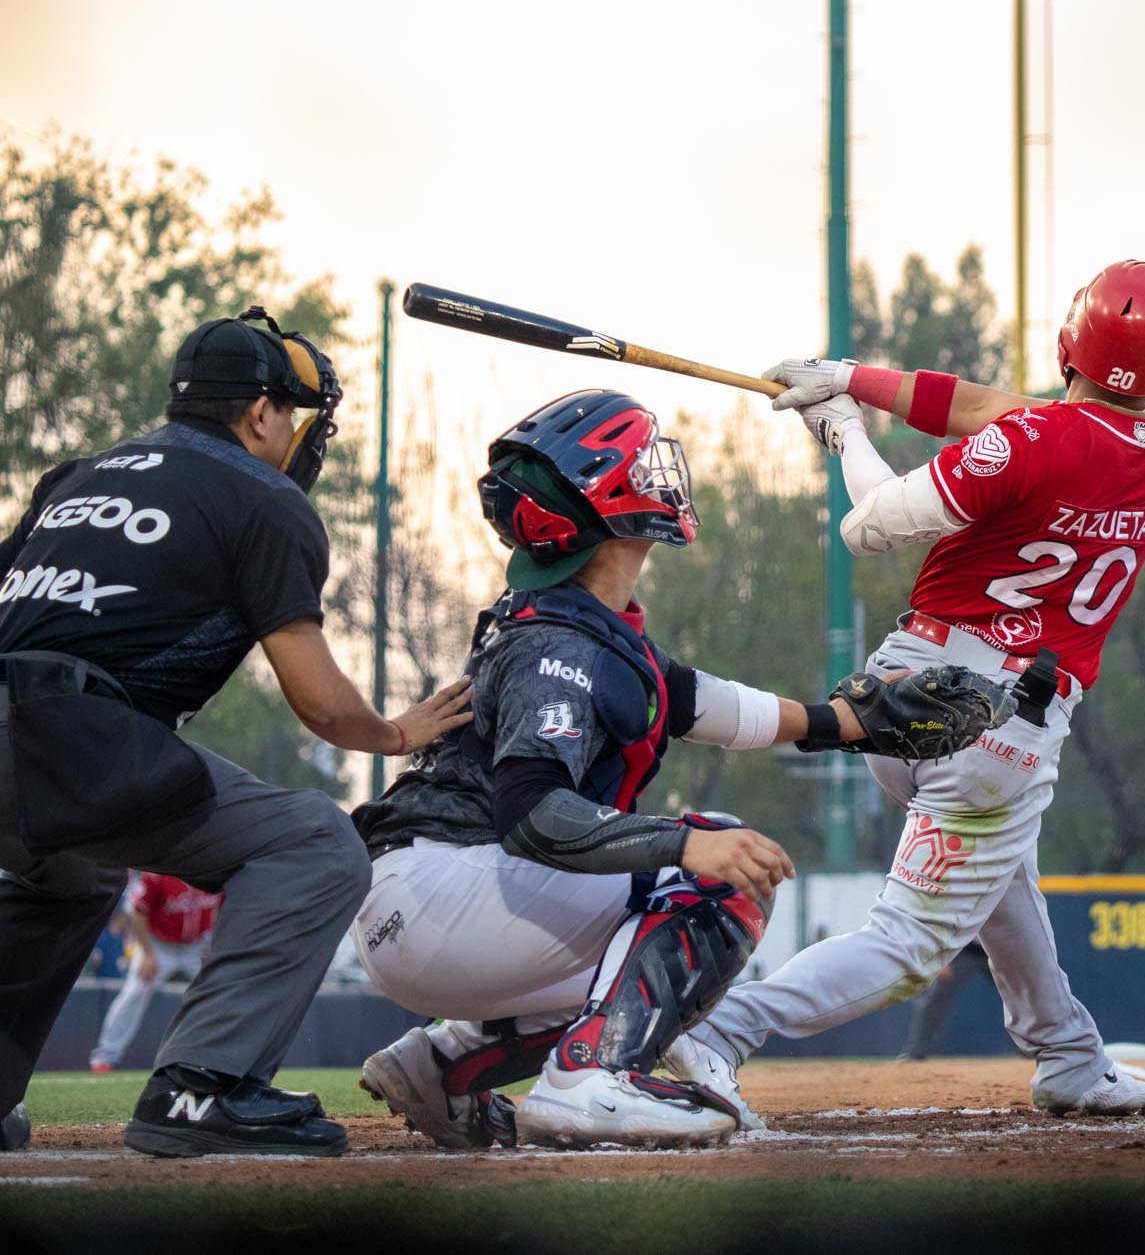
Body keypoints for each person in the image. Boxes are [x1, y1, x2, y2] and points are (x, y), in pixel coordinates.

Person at [348, 390, 1011, 1151]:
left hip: (430, 904)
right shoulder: (557, 644)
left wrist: (848, 723)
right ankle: (588, 1081)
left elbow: (712, 704)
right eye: (638, 463)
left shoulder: (580, 624)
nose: (657, 475)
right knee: (720, 867)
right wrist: (683, 843)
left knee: (648, 969)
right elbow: (532, 815)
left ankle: (443, 1062)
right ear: (607, 502)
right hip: (444, 893)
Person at [669, 260, 1145, 1124]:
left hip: (904, 695)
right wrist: (847, 379)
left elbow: (870, 523)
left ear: (1069, 346)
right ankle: (719, 1030)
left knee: (1002, 883)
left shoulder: (1031, 439)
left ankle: (1067, 1054)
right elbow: (991, 411)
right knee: (911, 943)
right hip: (996, 732)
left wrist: (844, 430)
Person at [0, 307, 473, 1158]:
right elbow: (322, 704)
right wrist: (395, 735)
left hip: (34, 735)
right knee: (317, 844)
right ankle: (200, 1088)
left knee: (71, 871)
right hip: (64, 735)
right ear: (258, 412)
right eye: (289, 413)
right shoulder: (263, 497)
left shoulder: (79, 477)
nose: (292, 431)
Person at [89, 873, 224, 1072]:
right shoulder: (159, 875)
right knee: (134, 993)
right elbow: (138, 911)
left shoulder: (217, 872)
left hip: (195, 946)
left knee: (220, 994)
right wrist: (147, 953)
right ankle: (105, 1057)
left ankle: (220, 1059)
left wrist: (213, 940)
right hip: (157, 945)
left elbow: (221, 910)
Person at [897, 940, 994, 1062]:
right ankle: (914, 1053)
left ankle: (1025, 1050)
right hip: (962, 950)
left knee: (1023, 992)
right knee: (935, 998)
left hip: (1000, 949)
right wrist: (940, 958)